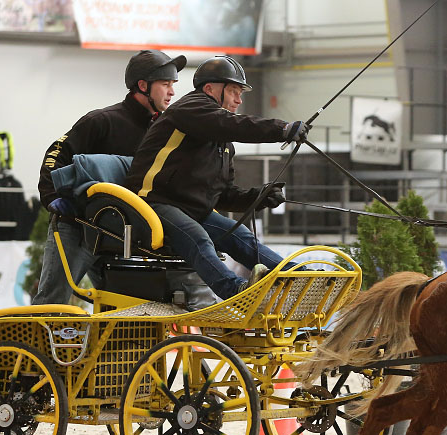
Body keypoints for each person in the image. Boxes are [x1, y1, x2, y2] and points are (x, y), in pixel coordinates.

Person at [123, 55, 310, 299]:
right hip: (152, 204)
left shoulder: (221, 142)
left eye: (240, 93)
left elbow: (222, 195)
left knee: (240, 236)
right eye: (233, 91)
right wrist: (282, 129)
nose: (239, 100)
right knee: (199, 238)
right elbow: (232, 124)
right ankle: (235, 290)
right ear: (210, 89)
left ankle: (301, 277)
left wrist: (258, 197)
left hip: (192, 210)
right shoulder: (189, 109)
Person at [33, 49, 186, 305]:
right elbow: (55, 154)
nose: (172, 92)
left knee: (124, 307)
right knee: (53, 300)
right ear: (142, 85)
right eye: (165, 84)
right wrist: (52, 198)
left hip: (120, 235)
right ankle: (34, 344)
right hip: (79, 226)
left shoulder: (160, 131)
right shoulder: (102, 121)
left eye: (173, 85)